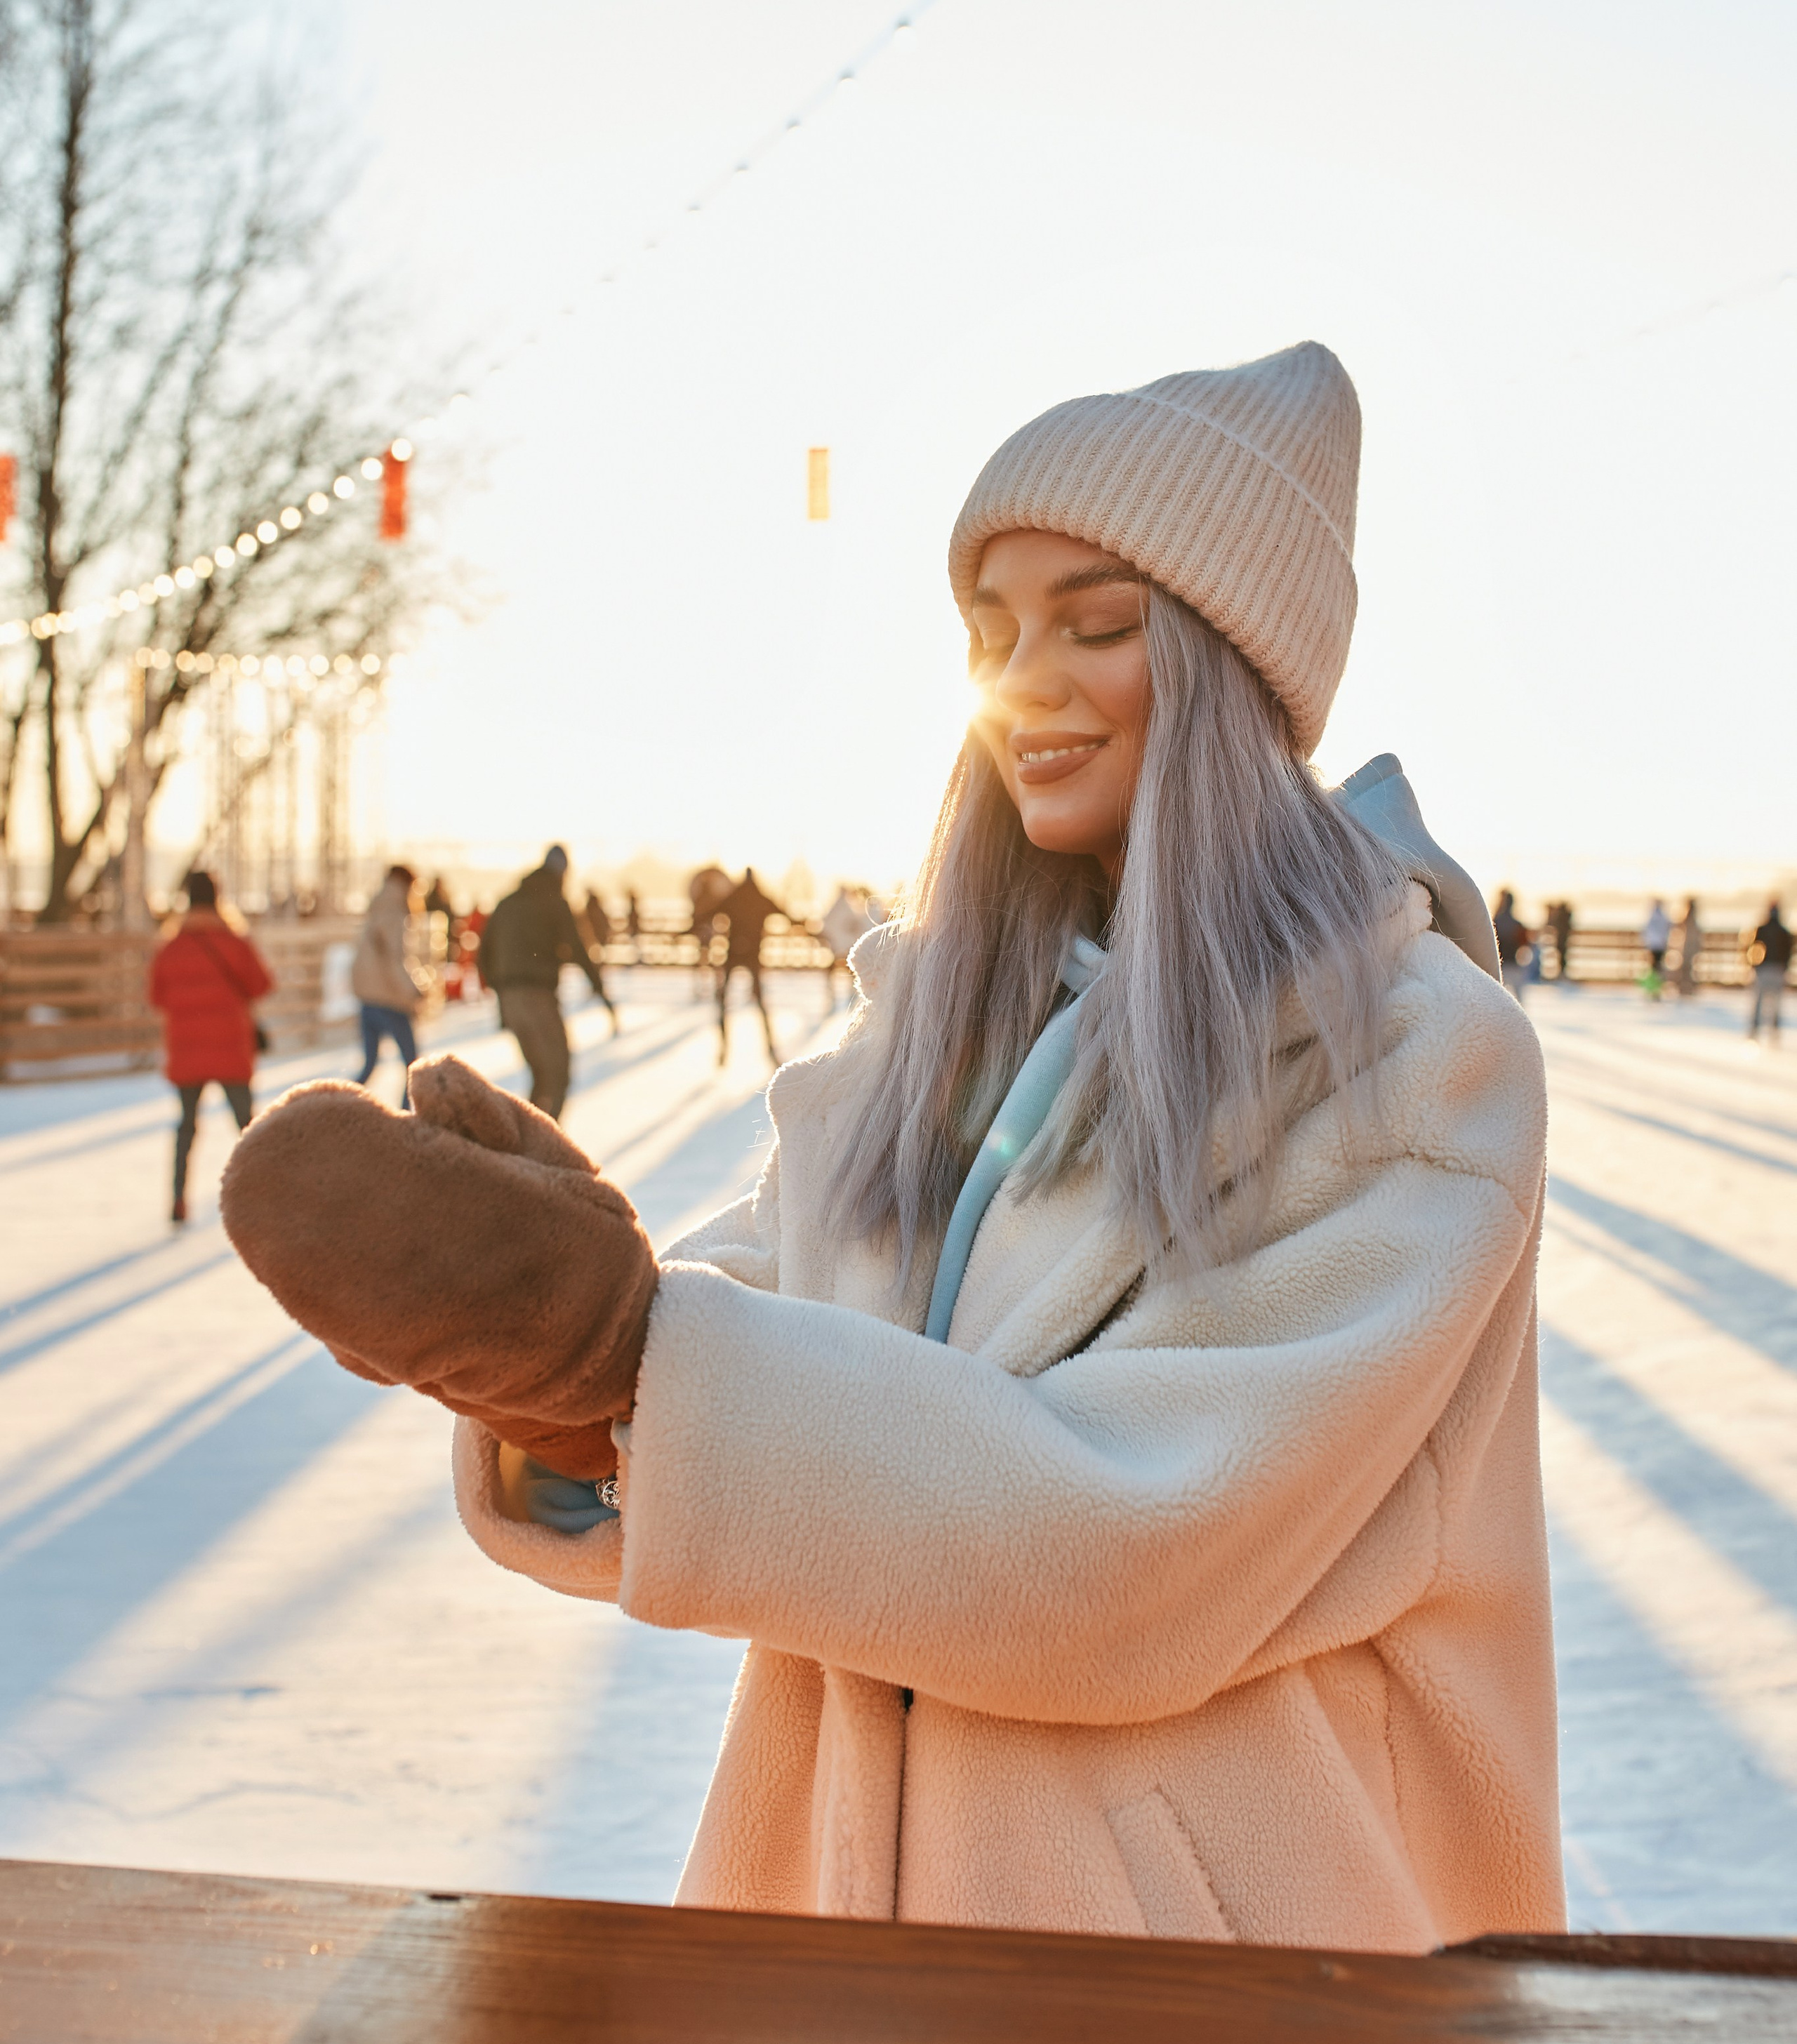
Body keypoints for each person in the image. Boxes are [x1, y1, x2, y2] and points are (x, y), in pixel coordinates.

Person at [225, 340, 1560, 1958]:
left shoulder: (1411, 1060)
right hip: (831, 1940)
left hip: (1220, 2008)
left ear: (1229, 662)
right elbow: (747, 1316)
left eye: (1096, 622)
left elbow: (1138, 1545)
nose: (1026, 680)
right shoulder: (928, 1021)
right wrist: (558, 1385)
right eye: (991, 631)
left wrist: (630, 1348)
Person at [147, 870, 272, 1224]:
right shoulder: (235, 942)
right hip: (231, 1047)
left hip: (187, 1050)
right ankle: (264, 1198)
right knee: (248, 1129)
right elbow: (262, 984)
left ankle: (178, 1201)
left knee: (186, 1126)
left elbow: (155, 997)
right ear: (219, 898)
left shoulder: (170, 947)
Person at [479, 844, 620, 1117]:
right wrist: (601, 991)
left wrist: (502, 993)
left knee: (540, 1076)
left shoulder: (508, 902)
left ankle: (528, 1143)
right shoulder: (555, 902)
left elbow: (484, 953)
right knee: (557, 1075)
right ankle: (543, 1147)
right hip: (538, 996)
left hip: (511, 998)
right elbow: (578, 948)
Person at [353, 865, 427, 1088]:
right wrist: (413, 990)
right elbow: (395, 960)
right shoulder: (395, 912)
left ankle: (338, 1107)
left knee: (369, 1065)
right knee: (414, 1067)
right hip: (390, 999)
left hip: (368, 998)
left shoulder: (377, 906)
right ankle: (408, 1120)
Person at [715, 865, 781, 1066]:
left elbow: (708, 913)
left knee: (723, 1001)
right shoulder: (761, 898)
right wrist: (809, 930)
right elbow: (785, 914)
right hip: (753, 957)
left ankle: (723, 1048)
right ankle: (770, 1047)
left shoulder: (734, 897)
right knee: (761, 1003)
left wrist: (686, 931)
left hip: (733, 955)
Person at [818, 882, 871, 1003]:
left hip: (843, 943)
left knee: (844, 968)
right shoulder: (844, 907)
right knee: (846, 967)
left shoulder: (845, 907)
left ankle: (848, 990)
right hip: (844, 943)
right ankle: (847, 990)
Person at [1747, 900, 1792, 1040]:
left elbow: (1752, 947)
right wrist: (1785, 967)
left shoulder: (1762, 929)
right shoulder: (1784, 931)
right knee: (1775, 1002)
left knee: (1760, 1000)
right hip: (1777, 969)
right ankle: (1774, 1030)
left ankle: (1755, 1028)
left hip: (1765, 968)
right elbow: (1789, 952)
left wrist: (1754, 964)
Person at [687, 863, 732, 1001]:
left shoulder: (701, 898)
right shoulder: (710, 898)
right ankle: (712, 986)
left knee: (704, 959)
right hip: (709, 932)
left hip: (704, 932)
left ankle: (703, 986)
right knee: (711, 960)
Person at [1491, 889, 1532, 1006]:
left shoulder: (1494, 922)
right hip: (1513, 965)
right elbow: (1526, 945)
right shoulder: (1517, 925)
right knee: (1519, 1000)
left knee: (1497, 998)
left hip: (1499, 966)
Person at [1673, 896, 1702, 1000]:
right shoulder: (1693, 916)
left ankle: (1686, 988)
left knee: (1687, 967)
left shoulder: (1690, 916)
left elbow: (1679, 926)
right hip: (1690, 945)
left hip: (1688, 946)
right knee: (1688, 968)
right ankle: (1686, 988)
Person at [1640, 899, 1671, 997]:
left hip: (1654, 945)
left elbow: (1647, 930)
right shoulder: (1660, 916)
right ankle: (1654, 988)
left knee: (1655, 968)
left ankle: (1653, 988)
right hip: (1658, 945)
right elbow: (1666, 928)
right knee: (1657, 968)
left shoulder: (1654, 916)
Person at [1544, 899, 1573, 981]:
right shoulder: (1565, 917)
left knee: (1562, 956)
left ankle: (1562, 973)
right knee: (1562, 956)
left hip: (1562, 939)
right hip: (1563, 939)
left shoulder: (1561, 917)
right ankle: (1562, 973)